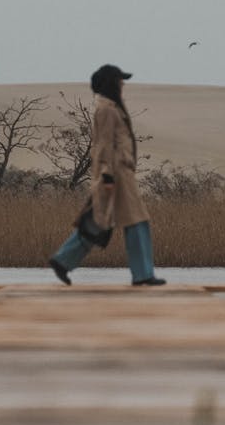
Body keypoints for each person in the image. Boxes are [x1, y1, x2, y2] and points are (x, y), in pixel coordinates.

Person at [49, 65, 166, 286]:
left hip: (120, 174)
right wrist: (108, 176)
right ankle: (143, 275)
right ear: (111, 83)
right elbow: (103, 145)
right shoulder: (107, 110)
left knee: (98, 222)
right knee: (136, 222)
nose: (122, 84)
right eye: (120, 80)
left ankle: (62, 261)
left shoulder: (111, 108)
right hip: (116, 175)